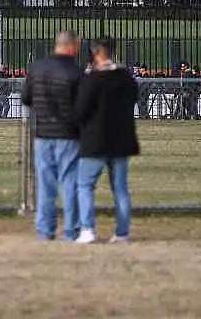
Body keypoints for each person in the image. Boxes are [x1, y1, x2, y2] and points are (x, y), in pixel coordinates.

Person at [74, 37, 140, 244]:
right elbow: (134, 98)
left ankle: (87, 229)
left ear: (96, 53)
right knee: (120, 188)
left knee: (85, 185)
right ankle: (122, 233)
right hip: (121, 138)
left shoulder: (92, 80)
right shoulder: (126, 78)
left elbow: (80, 109)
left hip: (95, 139)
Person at [20, 30, 83, 242]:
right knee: (70, 183)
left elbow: (26, 97)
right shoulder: (75, 72)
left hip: (43, 133)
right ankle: (71, 230)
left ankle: (45, 230)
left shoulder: (37, 68)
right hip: (68, 134)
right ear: (72, 46)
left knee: (45, 185)